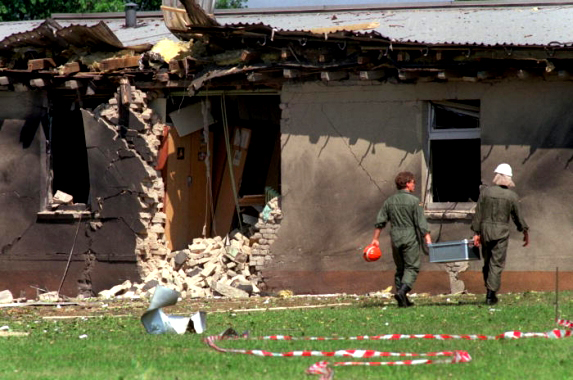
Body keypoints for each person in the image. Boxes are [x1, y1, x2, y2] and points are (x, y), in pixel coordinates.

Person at [371, 171, 432, 307]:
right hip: (409, 236)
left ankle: (402, 300)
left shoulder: (389, 201)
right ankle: (403, 291)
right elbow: (421, 223)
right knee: (412, 267)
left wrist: (375, 239)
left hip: (395, 236)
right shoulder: (414, 201)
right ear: (407, 183)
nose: (414, 185)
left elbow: (380, 221)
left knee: (400, 268)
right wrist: (427, 237)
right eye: (413, 182)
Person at [471, 163, 529, 305]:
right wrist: (524, 231)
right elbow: (518, 216)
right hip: (501, 233)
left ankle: (489, 289)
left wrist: (476, 232)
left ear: (496, 176)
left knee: (487, 262)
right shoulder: (512, 196)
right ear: (509, 179)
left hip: (485, 231)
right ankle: (491, 295)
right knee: (496, 264)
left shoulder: (485, 192)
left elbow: (478, 213)